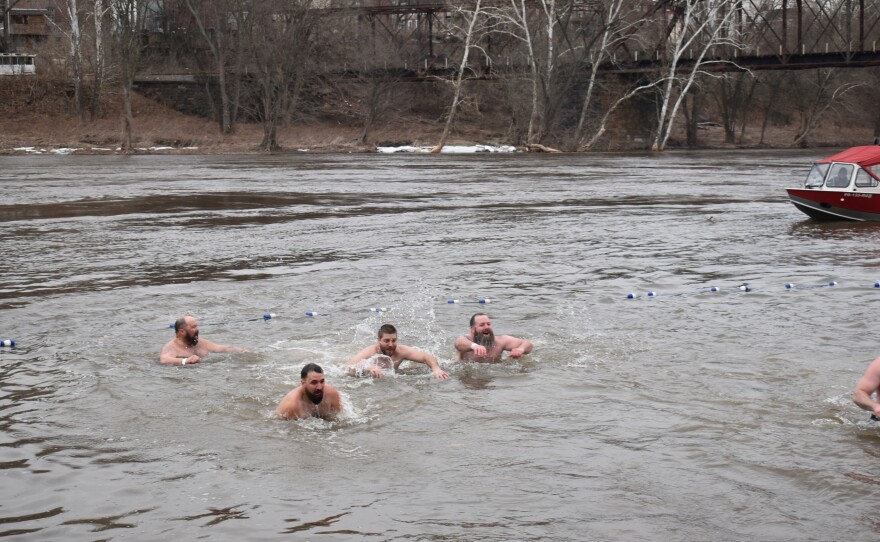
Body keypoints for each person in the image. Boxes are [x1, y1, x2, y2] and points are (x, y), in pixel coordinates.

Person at [344, 324, 449, 379]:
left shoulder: (401, 351)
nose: (391, 344)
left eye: (394, 340)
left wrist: (436, 369)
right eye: (386, 341)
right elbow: (348, 366)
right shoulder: (371, 351)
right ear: (378, 340)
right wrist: (368, 368)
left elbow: (427, 357)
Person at [159, 315, 249, 366]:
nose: (198, 329)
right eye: (194, 327)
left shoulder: (202, 343)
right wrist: (185, 361)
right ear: (182, 332)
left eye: (197, 326)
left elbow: (221, 348)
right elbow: (164, 359)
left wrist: (240, 350)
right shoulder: (172, 346)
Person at [454, 313, 533, 363]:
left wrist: (521, 349)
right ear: (472, 329)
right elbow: (458, 343)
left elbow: (528, 344)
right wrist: (474, 346)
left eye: (488, 324)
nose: (487, 327)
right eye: (482, 325)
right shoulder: (466, 340)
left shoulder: (500, 341)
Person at [276, 363, 343, 420]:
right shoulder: (291, 406)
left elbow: (340, 421)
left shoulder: (332, 394)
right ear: (303, 383)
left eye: (322, 381)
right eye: (314, 383)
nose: (319, 387)